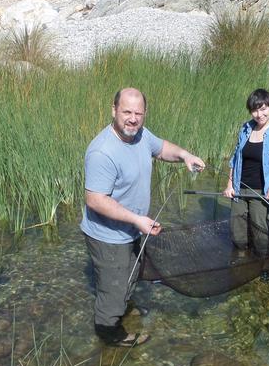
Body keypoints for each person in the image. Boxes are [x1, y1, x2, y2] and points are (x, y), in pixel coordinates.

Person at [81, 87, 205, 347]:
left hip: (133, 229)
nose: (133, 119)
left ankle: (121, 308)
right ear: (114, 110)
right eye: (127, 112)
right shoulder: (102, 151)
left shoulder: (140, 135)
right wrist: (137, 219)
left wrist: (184, 155)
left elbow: (161, 148)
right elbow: (95, 200)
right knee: (113, 286)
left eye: (138, 113)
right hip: (108, 236)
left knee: (132, 273)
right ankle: (109, 332)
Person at [222, 88, 269, 277]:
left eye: (263, 109)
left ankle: (263, 271)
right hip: (239, 190)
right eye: (255, 110)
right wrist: (230, 184)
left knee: (261, 238)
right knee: (237, 234)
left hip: (263, 193)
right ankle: (241, 263)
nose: (259, 114)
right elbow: (235, 159)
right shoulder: (246, 128)